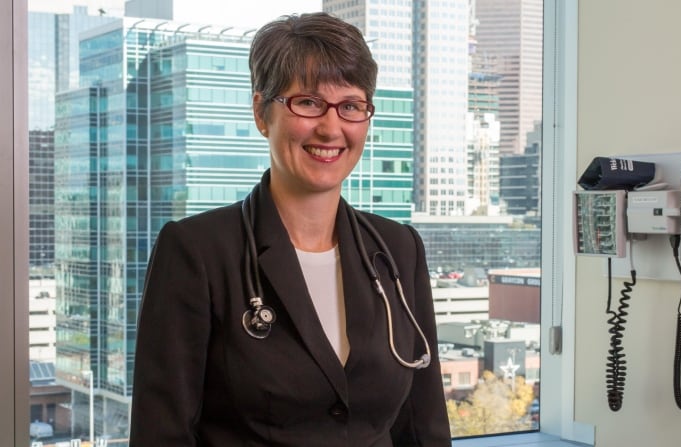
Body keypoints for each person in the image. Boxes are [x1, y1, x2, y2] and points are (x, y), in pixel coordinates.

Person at [129, 12, 452, 446]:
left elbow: (423, 424)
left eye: (351, 106)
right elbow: (161, 436)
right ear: (262, 113)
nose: (331, 127)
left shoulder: (398, 248)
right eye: (308, 102)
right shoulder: (197, 251)